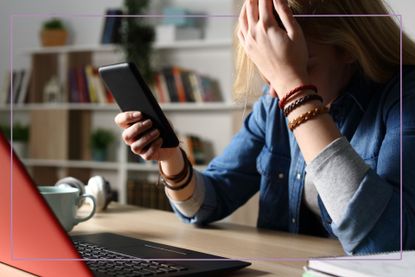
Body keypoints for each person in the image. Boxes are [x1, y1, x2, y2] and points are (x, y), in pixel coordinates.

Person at [115, 0, 415, 255]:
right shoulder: (274, 103)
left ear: (350, 47)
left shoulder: (405, 95)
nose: (276, 92)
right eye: (270, 71)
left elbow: (387, 244)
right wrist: (169, 156)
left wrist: (296, 92)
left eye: (300, 68)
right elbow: (207, 203)